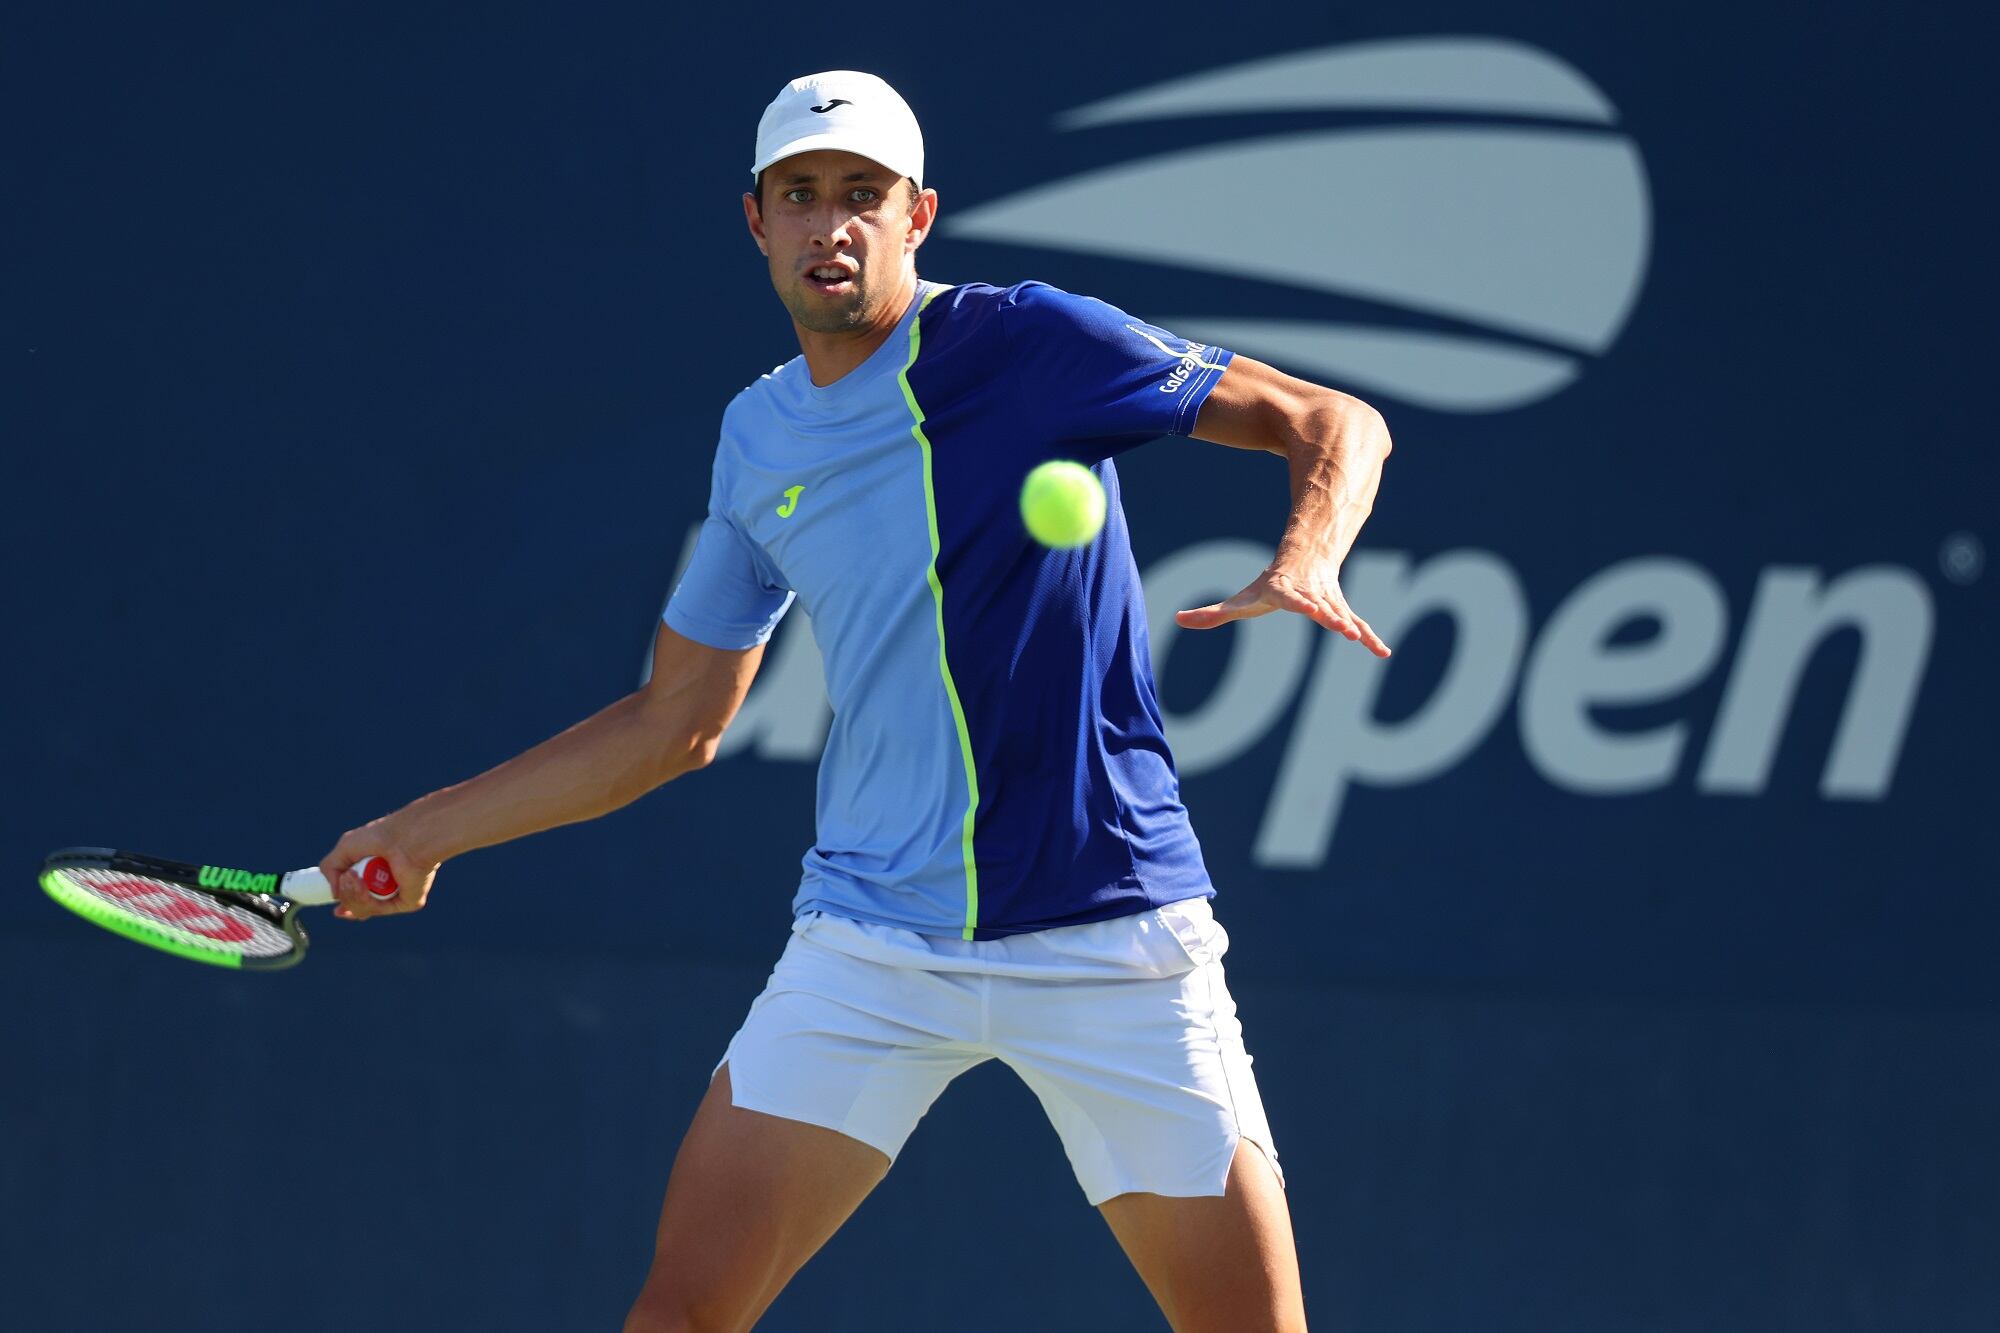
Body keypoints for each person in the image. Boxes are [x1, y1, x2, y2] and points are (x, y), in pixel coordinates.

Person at [320, 69, 1392, 1333]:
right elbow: (675, 721)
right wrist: (426, 830)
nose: (831, 224)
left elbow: (1329, 417)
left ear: (916, 216)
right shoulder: (756, 438)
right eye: (801, 195)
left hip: (1115, 932)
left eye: (861, 196)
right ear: (756, 220)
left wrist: (1306, 553)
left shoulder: (1032, 342)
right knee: (679, 1314)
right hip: (872, 945)